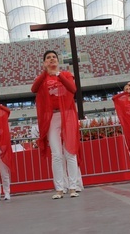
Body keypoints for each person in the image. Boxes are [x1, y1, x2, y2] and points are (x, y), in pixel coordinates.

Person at [31, 50, 81, 199]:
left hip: (67, 114)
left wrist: (58, 75)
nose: (51, 59)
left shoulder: (65, 75)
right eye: (48, 58)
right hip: (51, 117)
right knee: (56, 154)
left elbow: (73, 89)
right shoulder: (43, 78)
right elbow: (34, 89)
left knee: (70, 152)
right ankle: (59, 188)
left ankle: (73, 187)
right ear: (44, 62)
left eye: (54, 57)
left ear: (58, 61)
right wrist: (45, 73)